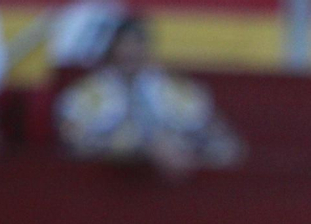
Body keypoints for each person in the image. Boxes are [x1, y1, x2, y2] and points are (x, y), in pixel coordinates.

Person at [55, 15, 243, 178]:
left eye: (137, 43)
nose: (130, 51)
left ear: (147, 48)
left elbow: (209, 130)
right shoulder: (85, 92)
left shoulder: (176, 88)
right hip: (108, 182)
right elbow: (73, 140)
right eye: (123, 44)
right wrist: (141, 148)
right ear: (111, 49)